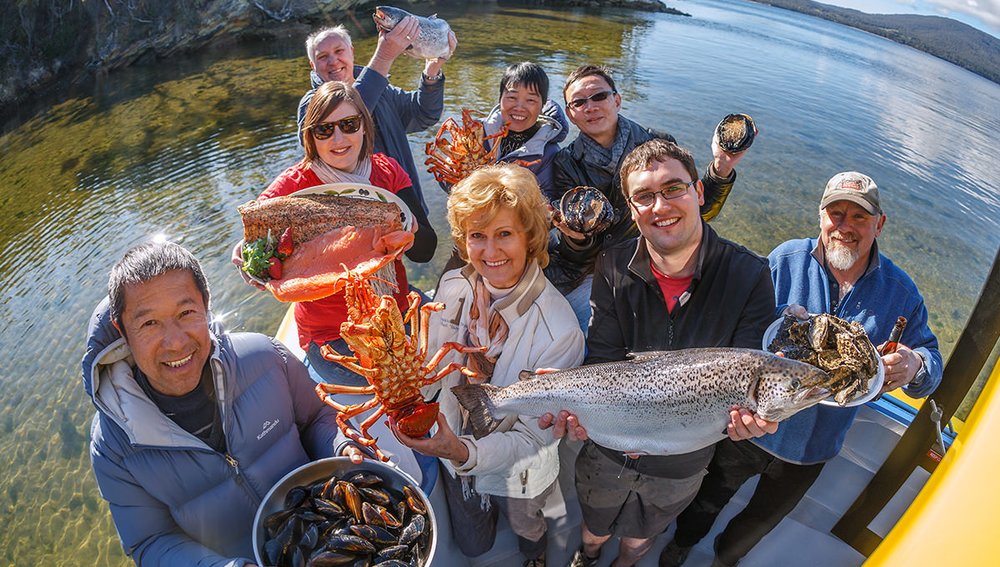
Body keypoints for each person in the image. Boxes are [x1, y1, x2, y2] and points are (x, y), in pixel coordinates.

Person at [662, 171, 944, 567]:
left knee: (757, 524)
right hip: (751, 426)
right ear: (820, 216)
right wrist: (776, 317)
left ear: (879, 224)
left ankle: (724, 561)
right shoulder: (786, 259)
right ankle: (680, 546)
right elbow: (740, 324)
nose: (845, 227)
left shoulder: (901, 292)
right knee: (706, 501)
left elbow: (931, 364)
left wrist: (915, 365)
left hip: (812, 449)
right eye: (836, 214)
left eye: (859, 217)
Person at [540, 139, 777, 567]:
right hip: (607, 445)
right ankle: (588, 555)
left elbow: (745, 370)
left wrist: (749, 422)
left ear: (699, 192)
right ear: (631, 209)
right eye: (644, 196)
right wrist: (570, 396)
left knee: (640, 536)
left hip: (682, 460)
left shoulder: (750, 274)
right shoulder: (612, 264)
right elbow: (603, 359)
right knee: (594, 524)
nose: (660, 206)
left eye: (673, 188)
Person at [82, 241, 363, 566]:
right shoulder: (113, 445)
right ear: (122, 330)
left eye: (186, 313)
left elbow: (317, 417)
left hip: (336, 536)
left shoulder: (265, 357)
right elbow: (151, 540)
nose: (175, 342)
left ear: (205, 304)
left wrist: (341, 444)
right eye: (149, 323)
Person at [391, 164, 585, 567]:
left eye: (505, 234)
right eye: (477, 236)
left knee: (527, 522)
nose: (490, 252)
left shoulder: (561, 332)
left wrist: (463, 450)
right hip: (452, 440)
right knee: (474, 544)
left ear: (530, 236)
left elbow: (532, 441)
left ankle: (535, 555)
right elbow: (430, 371)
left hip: (518, 462)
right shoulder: (452, 286)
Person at [243, 80, 437, 386]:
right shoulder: (293, 186)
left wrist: (409, 226)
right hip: (333, 335)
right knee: (389, 383)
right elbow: (254, 232)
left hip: (396, 312)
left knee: (447, 351)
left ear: (364, 126)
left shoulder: (387, 171)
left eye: (349, 124)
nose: (338, 138)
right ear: (311, 137)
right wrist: (244, 255)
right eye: (324, 130)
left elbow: (425, 252)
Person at [546, 64, 752, 330]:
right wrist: (577, 239)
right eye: (579, 102)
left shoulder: (657, 144)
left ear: (617, 100)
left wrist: (722, 167)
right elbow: (576, 254)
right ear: (570, 114)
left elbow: (696, 212)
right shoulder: (566, 162)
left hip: (654, 266)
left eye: (599, 96)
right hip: (593, 272)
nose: (590, 106)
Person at [298, 23, 458, 213]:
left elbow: (423, 114)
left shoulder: (383, 90)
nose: (333, 61)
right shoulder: (311, 104)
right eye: (323, 57)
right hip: (359, 217)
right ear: (313, 66)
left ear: (352, 52)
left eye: (339, 51)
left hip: (409, 205)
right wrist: (383, 57)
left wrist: (432, 72)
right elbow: (349, 108)